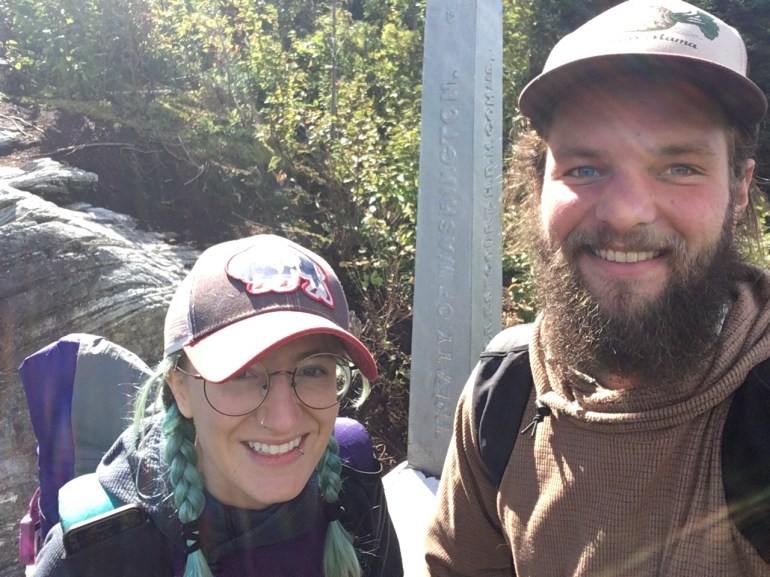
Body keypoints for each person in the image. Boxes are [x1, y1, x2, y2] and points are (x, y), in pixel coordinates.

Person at [424, 0, 770, 575]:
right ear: (539, 187)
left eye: (680, 167)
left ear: (738, 190)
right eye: (584, 168)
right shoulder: (504, 391)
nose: (626, 212)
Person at [33, 234, 403, 577]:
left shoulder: (352, 472)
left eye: (312, 370)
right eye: (241, 374)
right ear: (179, 388)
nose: (283, 420)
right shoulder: (94, 555)